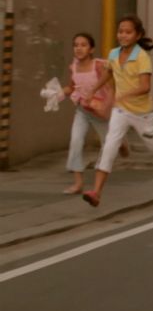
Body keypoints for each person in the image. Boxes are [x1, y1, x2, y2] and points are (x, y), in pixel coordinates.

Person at [82, 15, 153, 208]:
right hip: (121, 112)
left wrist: (124, 95)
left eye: (128, 32)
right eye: (120, 31)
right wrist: (93, 90)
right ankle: (96, 192)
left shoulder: (142, 57)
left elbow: (145, 87)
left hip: (142, 113)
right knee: (109, 148)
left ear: (138, 35)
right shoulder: (113, 54)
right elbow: (109, 73)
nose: (123, 35)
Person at [59, 33, 127, 195]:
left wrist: (106, 109)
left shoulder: (99, 66)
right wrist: (57, 94)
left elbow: (111, 88)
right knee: (76, 141)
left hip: (101, 111)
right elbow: (72, 87)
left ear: (91, 49)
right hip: (82, 110)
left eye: (83, 45)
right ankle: (78, 183)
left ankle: (120, 143)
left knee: (108, 145)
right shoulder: (73, 67)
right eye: (76, 45)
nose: (79, 48)